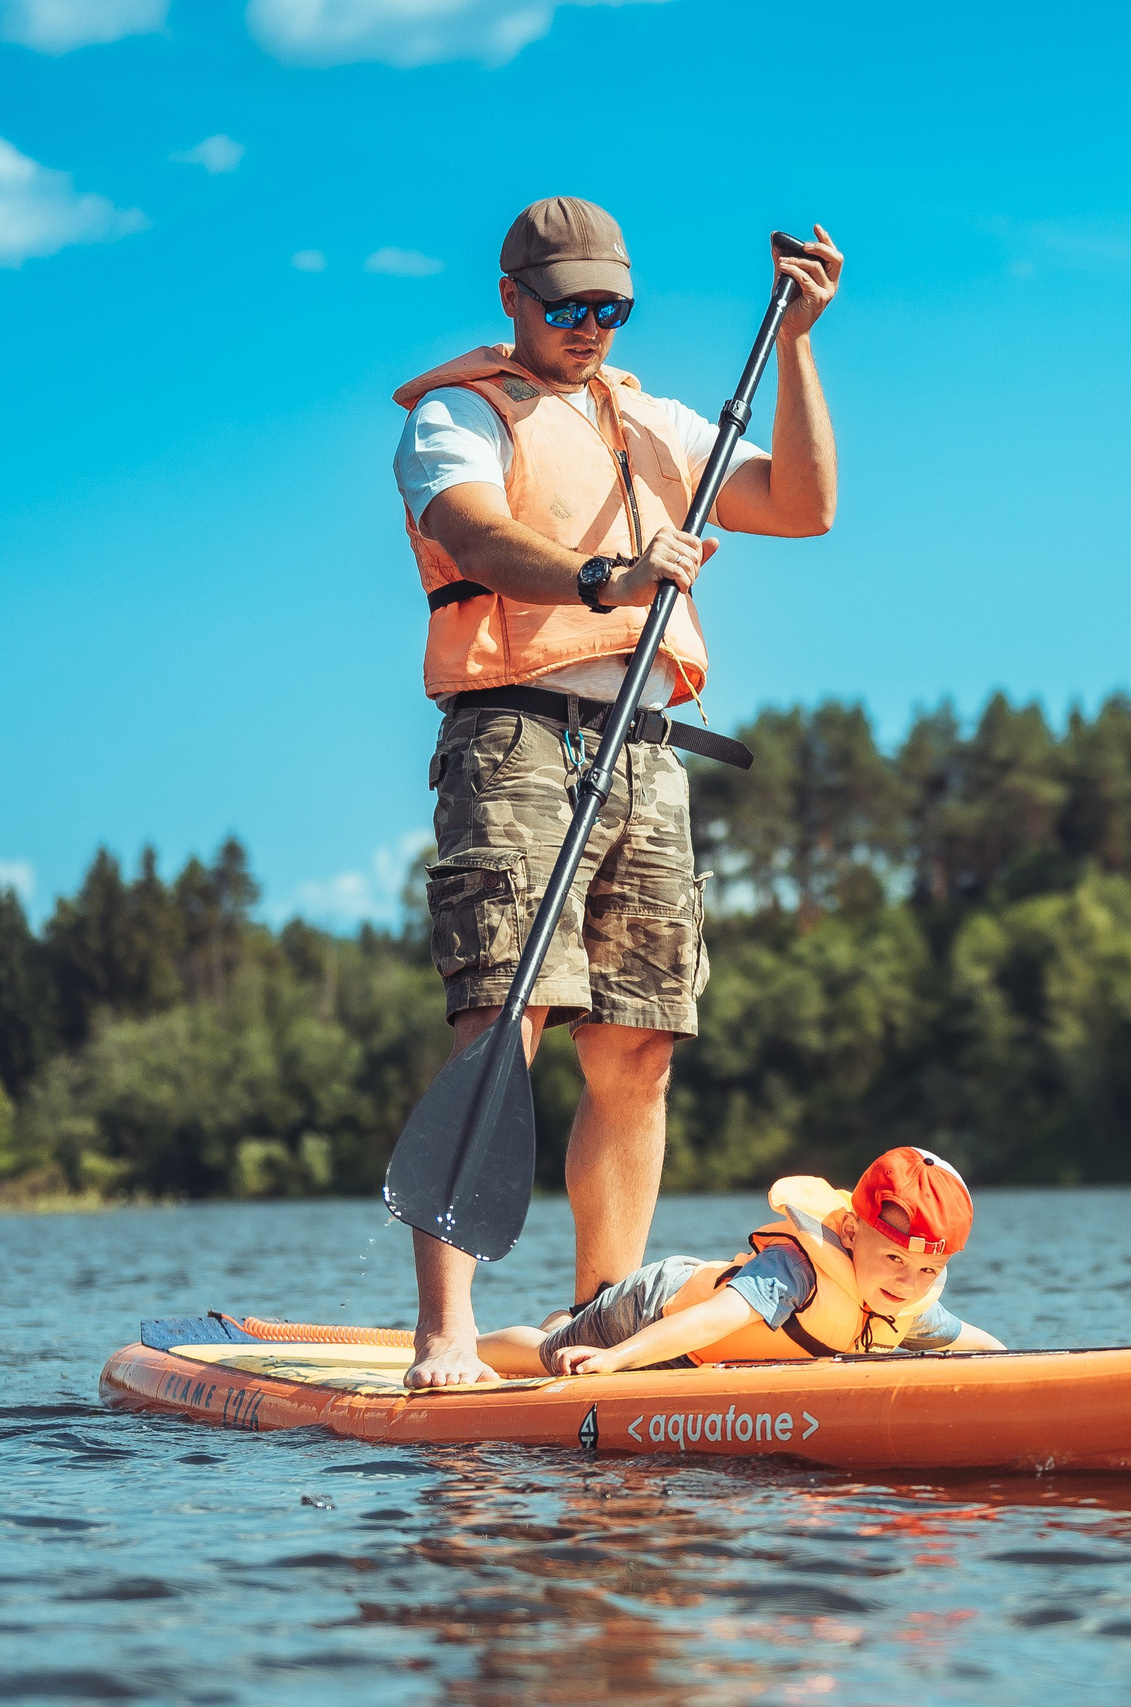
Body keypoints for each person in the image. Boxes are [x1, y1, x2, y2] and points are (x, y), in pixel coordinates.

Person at [393, 197, 842, 1387]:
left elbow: (802, 507)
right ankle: (444, 1335)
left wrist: (797, 347)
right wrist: (608, 575)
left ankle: (601, 1321)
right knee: (507, 1019)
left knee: (640, 1046)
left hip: (647, 747)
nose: (589, 326)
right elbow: (473, 535)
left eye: (610, 308)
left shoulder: (657, 422)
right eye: (566, 306)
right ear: (513, 299)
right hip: (517, 736)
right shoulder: (458, 415)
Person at [478, 1148, 1004, 1376]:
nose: (907, 1282)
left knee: (571, 1336)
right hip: (653, 1309)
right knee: (552, 1356)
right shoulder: (795, 1271)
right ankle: (473, 1346)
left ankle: (567, 1319)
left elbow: (976, 1343)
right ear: (849, 1231)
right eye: (893, 1257)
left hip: (684, 1353)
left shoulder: (905, 1303)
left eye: (927, 1271)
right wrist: (617, 1358)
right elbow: (712, 1319)